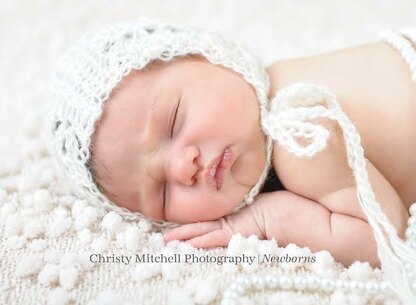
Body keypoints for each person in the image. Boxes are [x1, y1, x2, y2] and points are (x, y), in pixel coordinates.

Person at [47, 20, 416, 303]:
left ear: (211, 56)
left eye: (174, 120)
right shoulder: (278, 78)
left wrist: (267, 218)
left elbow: (386, 237)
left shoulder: (296, 133)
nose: (182, 167)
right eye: (161, 193)